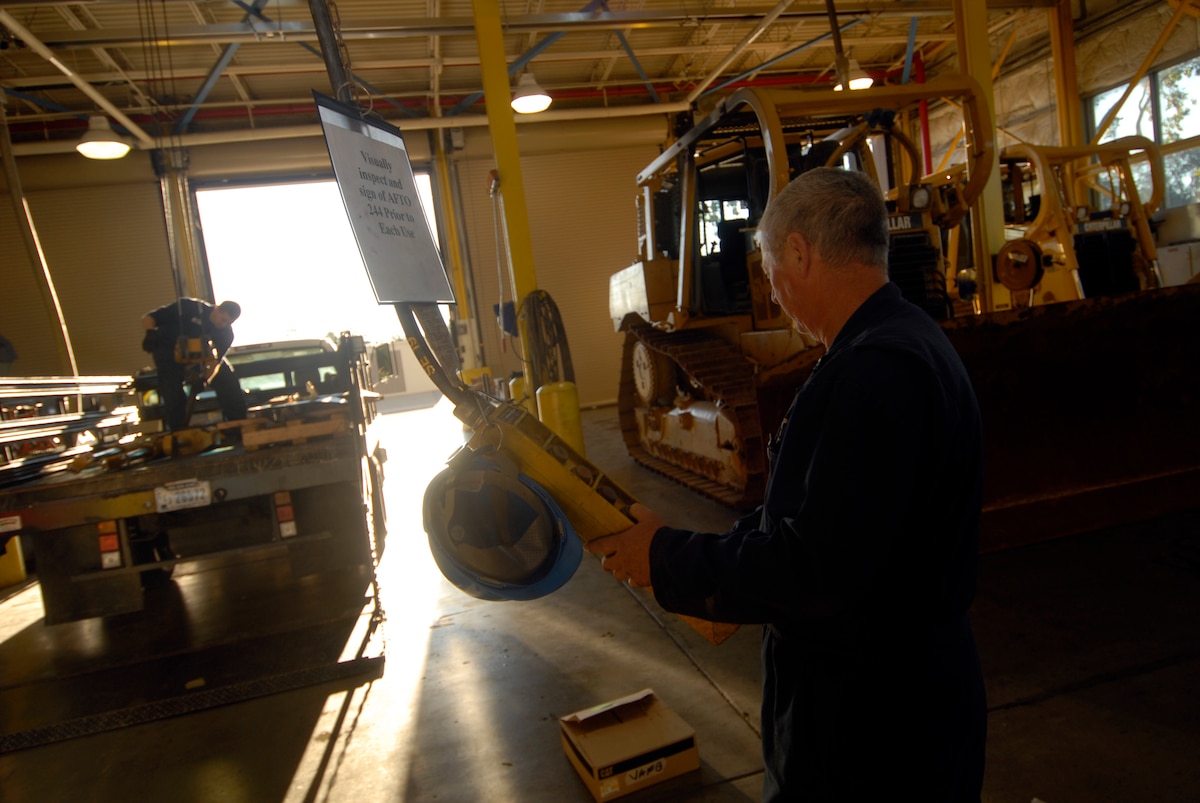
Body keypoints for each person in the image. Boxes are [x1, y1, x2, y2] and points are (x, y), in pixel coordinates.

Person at [588, 167, 987, 801]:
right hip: (913, 698)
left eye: (771, 266)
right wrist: (688, 546)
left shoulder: (871, 374)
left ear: (799, 252)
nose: (771, 291)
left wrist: (665, 559)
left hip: (870, 730)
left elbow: (813, 568)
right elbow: (818, 515)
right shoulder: (913, 341)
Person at [141, 298, 247, 431]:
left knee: (228, 380)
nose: (223, 324)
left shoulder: (225, 334)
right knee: (172, 394)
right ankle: (178, 433)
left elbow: (214, 364)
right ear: (217, 308)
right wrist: (150, 333)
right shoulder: (188, 307)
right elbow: (148, 318)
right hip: (169, 355)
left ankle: (237, 427)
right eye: (223, 319)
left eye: (228, 323)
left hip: (198, 359)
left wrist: (204, 379)